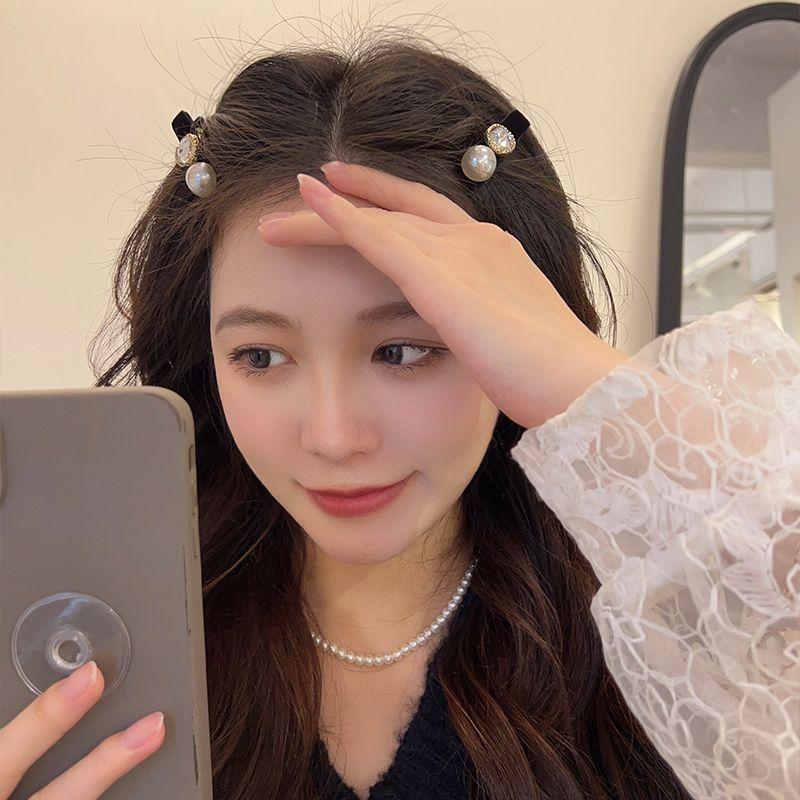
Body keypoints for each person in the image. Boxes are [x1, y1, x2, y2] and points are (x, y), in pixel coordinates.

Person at [76, 26, 797, 800]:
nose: (334, 437)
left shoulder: (658, 628)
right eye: (260, 357)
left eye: (403, 350)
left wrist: (582, 378)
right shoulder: (123, 638)